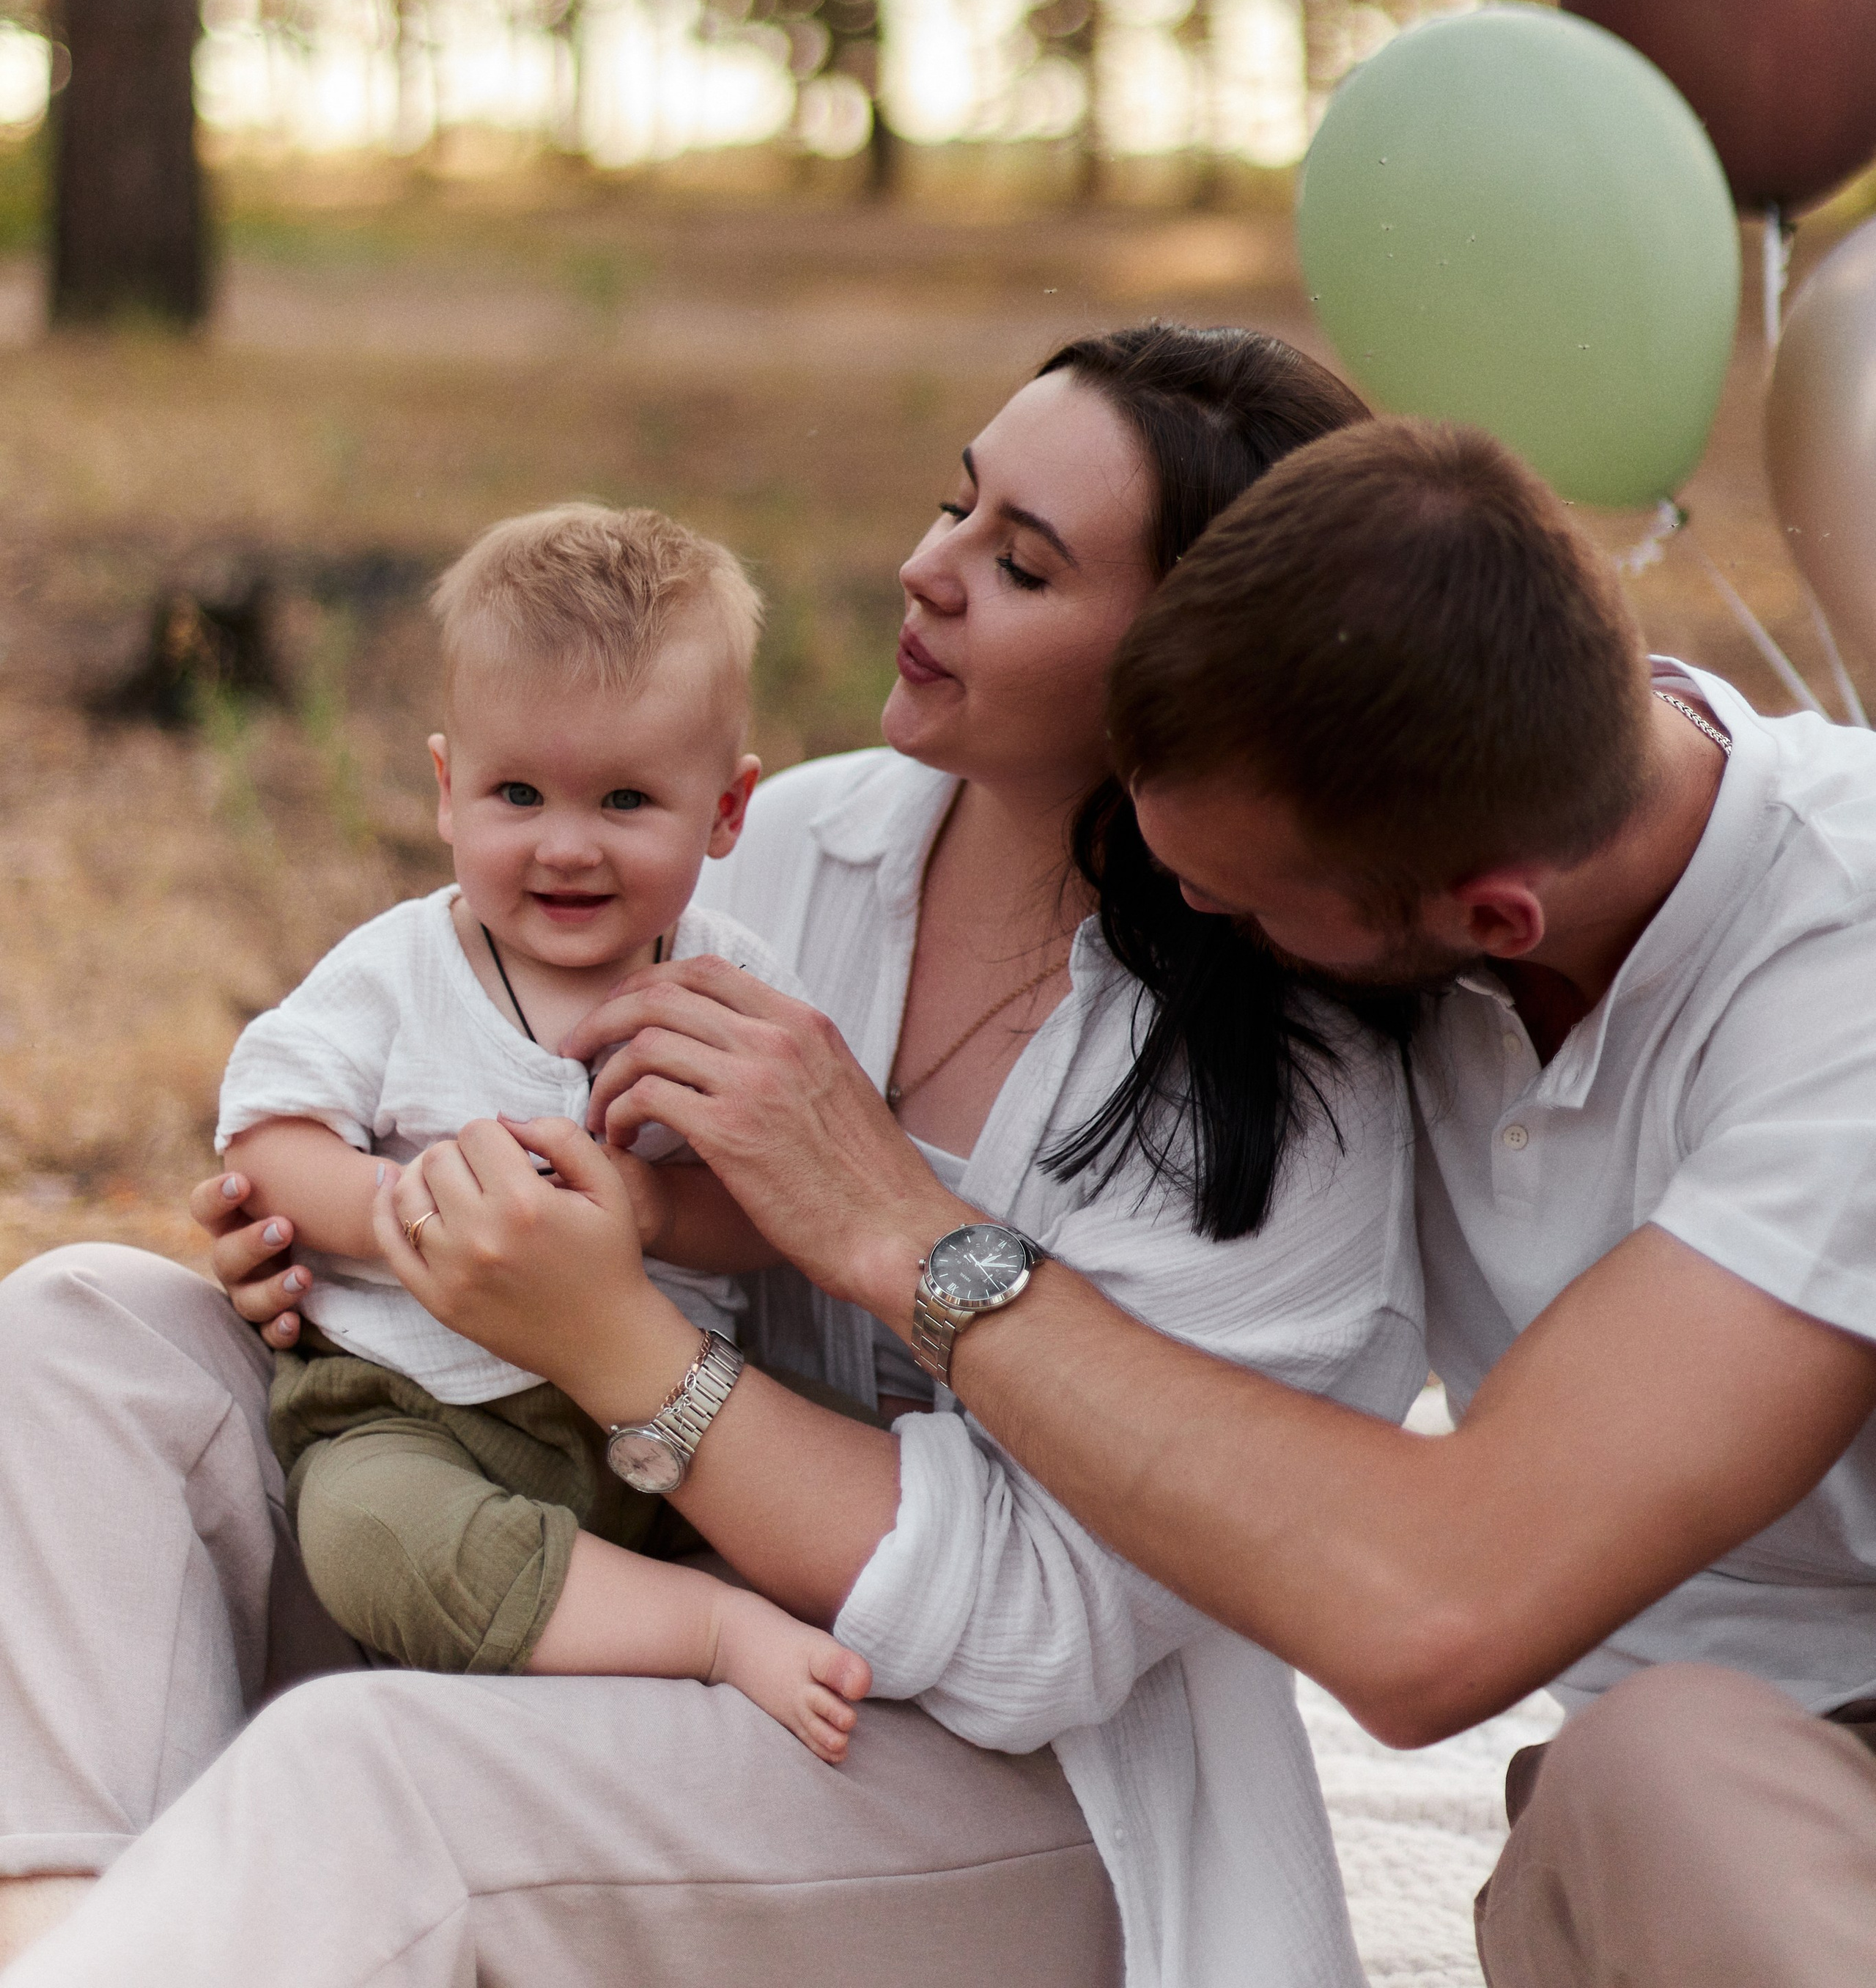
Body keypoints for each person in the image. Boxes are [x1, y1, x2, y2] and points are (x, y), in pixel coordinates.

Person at [0, 325, 1422, 1988]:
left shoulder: (1278, 1105)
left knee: (374, 1775)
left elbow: (1041, 1636)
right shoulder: (792, 846)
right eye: (953, 507)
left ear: (1192, 661)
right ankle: (60, 1924)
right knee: (86, 1328)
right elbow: (428, 1096)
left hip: (963, 1770)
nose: (924, 568)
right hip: (563, 1532)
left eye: (1018, 564)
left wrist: (620, 1343)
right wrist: (359, 1248)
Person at [538, 413, 1876, 1988]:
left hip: (1759, 1785)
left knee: (1666, 1769)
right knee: (1647, 1781)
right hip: (1701, 1807)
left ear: (1488, 917)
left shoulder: (1834, 986)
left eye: (1227, 903)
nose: (1166, 922)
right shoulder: (1435, 844)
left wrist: (908, 1238)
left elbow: (1432, 1617)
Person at [218, 500, 871, 1755]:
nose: (566, 847)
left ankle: (649, 1610)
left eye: (627, 799)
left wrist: (660, 1209)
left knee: (852, 1488)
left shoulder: (734, 988)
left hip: (667, 1419)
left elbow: (783, 1207)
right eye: (518, 793)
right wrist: (404, 1215)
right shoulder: (405, 968)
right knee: (364, 1537)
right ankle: (706, 1631)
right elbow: (267, 1136)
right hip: (421, 1408)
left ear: (728, 814)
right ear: (448, 790)